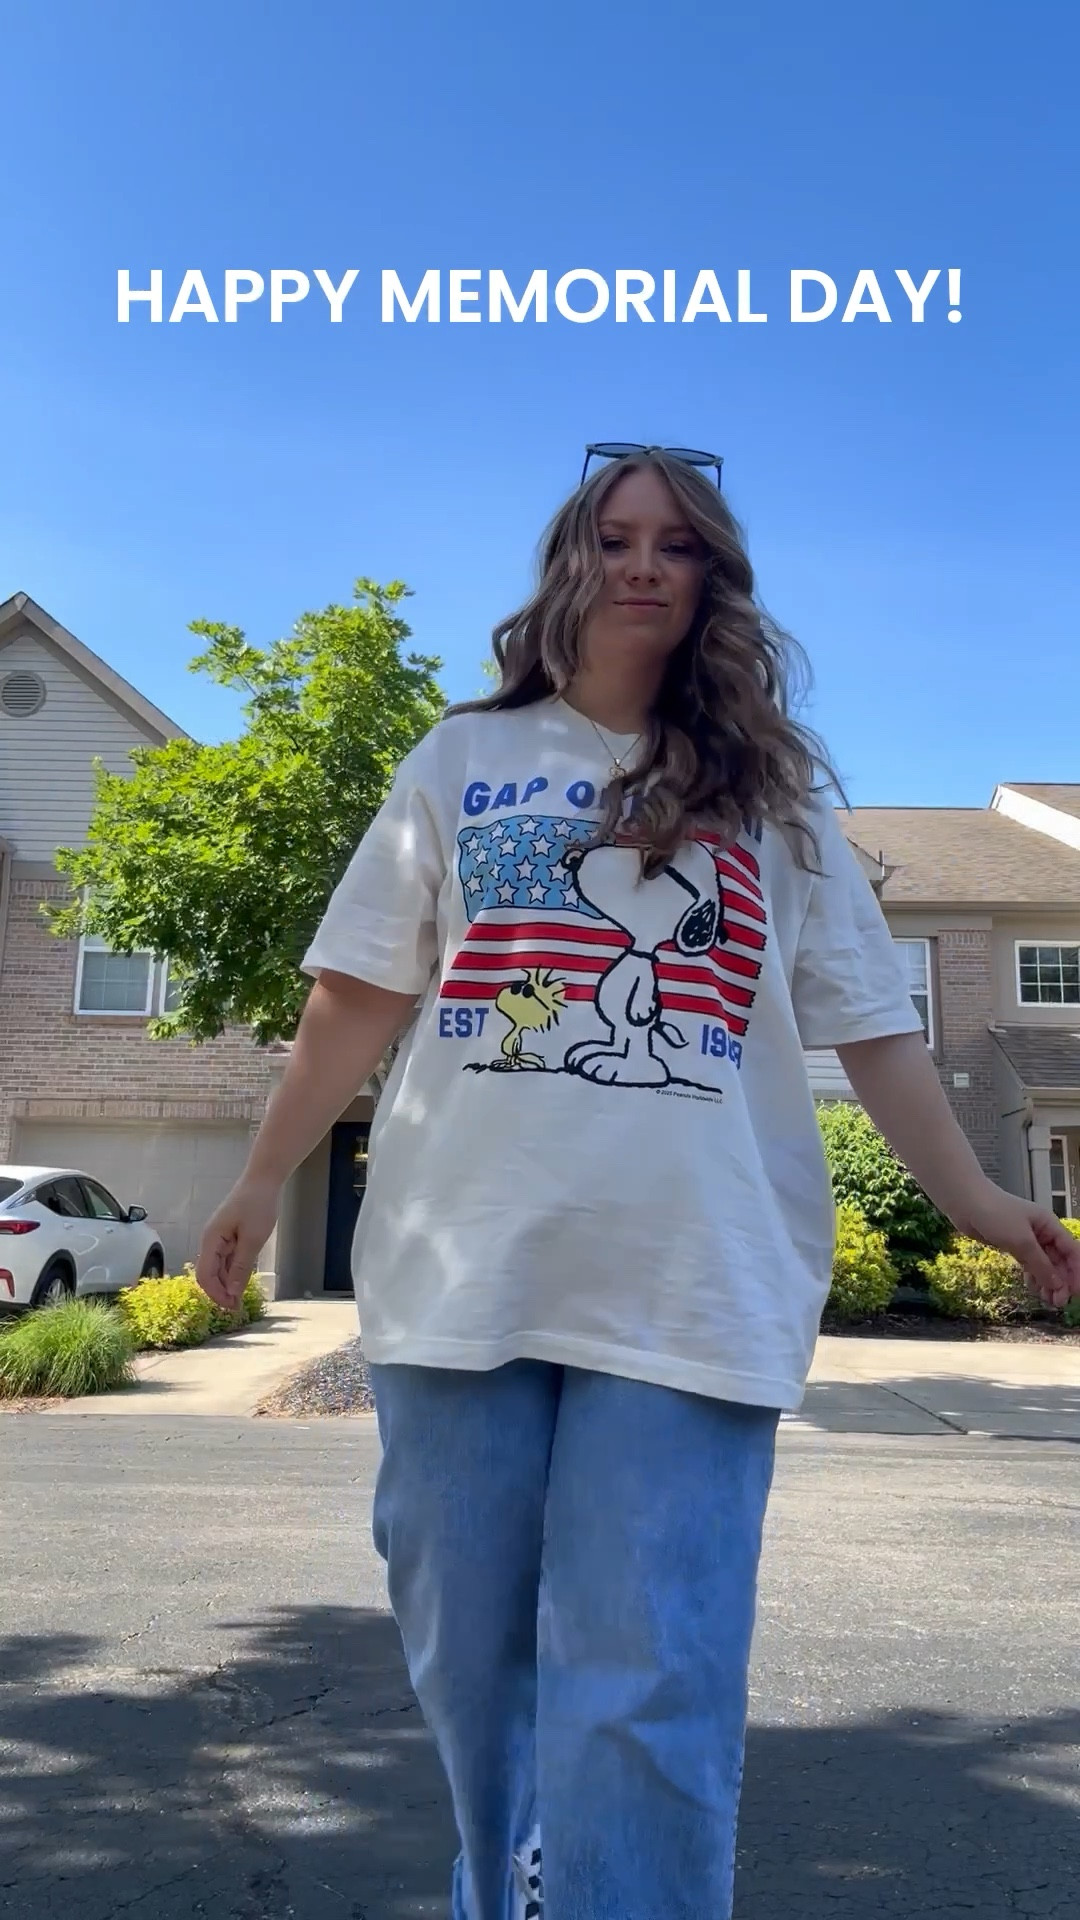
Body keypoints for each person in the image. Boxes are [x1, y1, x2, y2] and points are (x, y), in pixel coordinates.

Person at [195, 446, 1080, 1920]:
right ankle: (514, 1880)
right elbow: (354, 997)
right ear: (570, 561)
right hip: (460, 1264)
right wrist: (255, 1178)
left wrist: (984, 1204)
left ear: (713, 579)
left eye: (677, 543)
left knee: (650, 1665)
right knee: (467, 1649)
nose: (643, 562)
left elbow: (875, 1030)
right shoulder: (460, 762)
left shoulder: (775, 801)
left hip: (693, 1271)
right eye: (615, 536)